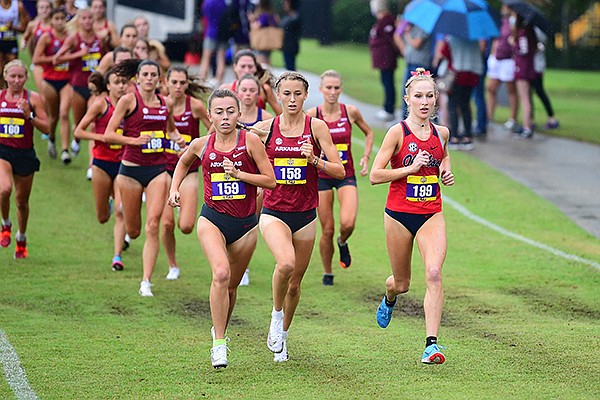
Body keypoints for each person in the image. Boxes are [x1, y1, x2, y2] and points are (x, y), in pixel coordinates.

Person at [167, 89, 276, 369]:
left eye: (230, 111)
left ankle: (220, 331)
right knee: (221, 273)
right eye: (219, 112)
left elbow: (270, 181)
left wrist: (240, 175)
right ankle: (219, 343)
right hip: (212, 219)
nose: (225, 117)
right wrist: (174, 188)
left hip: (246, 224)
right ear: (209, 116)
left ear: (239, 114)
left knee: (231, 286)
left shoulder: (250, 142)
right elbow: (183, 162)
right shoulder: (201, 144)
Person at [252, 72, 345, 362]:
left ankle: (283, 337)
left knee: (295, 284)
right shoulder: (264, 129)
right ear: (278, 95)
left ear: (306, 96)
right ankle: (275, 316)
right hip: (274, 211)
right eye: (286, 94)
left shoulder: (316, 127)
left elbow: (340, 170)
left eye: (297, 94)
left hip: (305, 215)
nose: (292, 99)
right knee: (286, 263)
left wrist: (314, 160)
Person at [370, 67, 454, 365]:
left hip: (431, 213)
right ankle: (390, 296)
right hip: (399, 215)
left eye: (429, 96)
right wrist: (409, 169)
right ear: (407, 98)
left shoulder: (441, 133)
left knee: (433, 273)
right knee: (402, 283)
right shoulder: (397, 132)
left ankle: (431, 344)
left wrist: (445, 169)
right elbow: (375, 175)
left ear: (436, 99)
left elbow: (442, 154)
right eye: (418, 96)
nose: (424, 101)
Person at [103, 59, 186, 297]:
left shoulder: (165, 103)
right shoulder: (128, 101)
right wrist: (133, 140)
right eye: (145, 75)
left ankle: (146, 282)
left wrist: (179, 140)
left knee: (153, 225)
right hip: (130, 170)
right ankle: (124, 218)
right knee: (135, 230)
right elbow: (109, 134)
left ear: (159, 79)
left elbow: (170, 129)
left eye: (153, 75)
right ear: (137, 78)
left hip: (157, 170)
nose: (149, 78)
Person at [306, 70, 374, 286]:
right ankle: (328, 272)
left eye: (336, 88)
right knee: (327, 228)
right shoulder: (312, 115)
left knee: (348, 222)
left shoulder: (350, 112)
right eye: (328, 88)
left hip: (346, 174)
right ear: (321, 89)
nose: (333, 92)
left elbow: (369, 133)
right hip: (321, 176)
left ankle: (343, 242)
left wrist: (365, 156)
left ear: (341, 89)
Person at [74, 67, 128, 271]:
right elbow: (78, 131)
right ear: (108, 86)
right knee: (103, 217)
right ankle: (110, 201)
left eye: (124, 82)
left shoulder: (131, 106)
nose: (121, 86)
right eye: (117, 82)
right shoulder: (100, 105)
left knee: (120, 211)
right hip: (102, 163)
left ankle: (117, 256)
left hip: (124, 164)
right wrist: (102, 137)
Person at [161, 66, 211, 281]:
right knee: (166, 224)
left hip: (189, 168)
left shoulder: (196, 106)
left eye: (182, 83)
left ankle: (183, 207)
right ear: (166, 83)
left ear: (187, 84)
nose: (178, 87)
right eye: (174, 82)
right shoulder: (160, 104)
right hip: (162, 167)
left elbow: (214, 127)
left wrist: (196, 147)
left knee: (187, 226)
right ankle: (172, 265)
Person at [0, 60, 49, 258]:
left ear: (26, 78)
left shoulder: (33, 98)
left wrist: (29, 115)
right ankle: (5, 224)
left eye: (20, 76)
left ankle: (21, 238)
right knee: (4, 189)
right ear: (5, 77)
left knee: (22, 202)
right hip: (3, 151)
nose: (17, 80)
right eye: (13, 76)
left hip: (25, 153)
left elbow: (47, 128)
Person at [234, 73, 274, 286]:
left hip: (255, 180)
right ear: (237, 91)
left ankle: (244, 267)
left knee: (250, 223)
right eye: (244, 90)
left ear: (258, 94)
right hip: (230, 179)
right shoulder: (228, 118)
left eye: (252, 90)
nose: (248, 94)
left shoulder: (267, 119)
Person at [55, 7, 108, 158]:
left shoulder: (100, 39)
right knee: (79, 122)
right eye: (84, 18)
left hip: (96, 89)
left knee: (93, 123)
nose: (87, 21)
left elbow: (105, 57)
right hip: (78, 85)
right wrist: (79, 54)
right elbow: (57, 59)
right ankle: (76, 139)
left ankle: (92, 164)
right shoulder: (74, 38)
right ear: (78, 20)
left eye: (90, 18)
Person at [32, 7, 73, 164]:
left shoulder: (71, 37)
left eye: (63, 18)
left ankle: (65, 150)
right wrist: (55, 59)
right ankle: (52, 137)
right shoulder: (46, 37)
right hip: (49, 79)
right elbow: (36, 60)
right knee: (53, 116)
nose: (60, 22)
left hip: (67, 80)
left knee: (64, 113)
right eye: (56, 19)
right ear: (51, 21)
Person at [436, 35, 483, 150]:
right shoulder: (474, 39)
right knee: (465, 105)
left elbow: (444, 53)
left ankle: (455, 136)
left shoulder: (452, 38)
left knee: (452, 105)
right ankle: (467, 135)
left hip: (456, 75)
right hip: (471, 75)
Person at [486, 5, 518, 132]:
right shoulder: (501, 21)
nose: (503, 8)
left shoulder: (514, 22)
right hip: (497, 59)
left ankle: (512, 119)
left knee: (511, 90)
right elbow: (496, 39)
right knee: (491, 88)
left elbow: (514, 38)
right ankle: (489, 117)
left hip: (508, 60)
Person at [221, 48, 281, 115]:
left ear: (255, 67)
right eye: (243, 66)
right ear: (235, 67)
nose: (247, 70)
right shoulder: (226, 89)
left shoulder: (264, 89)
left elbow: (281, 116)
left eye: (250, 66)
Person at [396, 17, 433, 118]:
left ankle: (416, 118)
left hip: (420, 65)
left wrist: (407, 33)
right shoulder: (412, 28)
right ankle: (405, 118)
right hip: (410, 63)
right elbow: (397, 37)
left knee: (418, 93)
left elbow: (416, 44)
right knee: (407, 91)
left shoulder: (425, 28)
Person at [368, 0, 399, 122]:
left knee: (388, 82)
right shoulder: (381, 21)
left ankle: (389, 109)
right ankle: (387, 107)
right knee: (385, 81)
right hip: (382, 59)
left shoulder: (387, 20)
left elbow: (390, 39)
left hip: (387, 58)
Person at [511, 12, 537, 138]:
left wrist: (513, 44)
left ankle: (527, 127)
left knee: (524, 98)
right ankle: (528, 123)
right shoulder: (530, 33)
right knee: (527, 98)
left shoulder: (522, 33)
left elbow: (523, 50)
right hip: (528, 69)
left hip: (522, 70)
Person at [20, 0, 52, 99]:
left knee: (52, 94)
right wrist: (23, 44)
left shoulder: (54, 24)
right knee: (43, 93)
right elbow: (25, 37)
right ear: (37, 9)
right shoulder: (33, 25)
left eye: (47, 8)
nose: (44, 10)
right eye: (41, 8)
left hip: (52, 62)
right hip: (38, 62)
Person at [531, 27, 559, 130]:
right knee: (528, 93)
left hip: (536, 66)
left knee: (539, 91)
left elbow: (540, 46)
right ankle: (530, 119)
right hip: (529, 66)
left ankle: (551, 118)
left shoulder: (538, 30)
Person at [0, 0, 30, 88]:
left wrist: (12, 27)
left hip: (11, 41)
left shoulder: (18, 6)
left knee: (11, 70)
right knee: (0, 70)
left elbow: (25, 28)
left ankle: (9, 94)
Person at [199, 0, 228, 87]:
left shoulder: (208, 2)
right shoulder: (223, 2)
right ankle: (219, 81)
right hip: (223, 33)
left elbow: (204, 14)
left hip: (210, 32)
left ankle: (202, 80)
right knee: (221, 58)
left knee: (206, 58)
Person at [249, 0, 279, 66]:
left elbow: (256, 26)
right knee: (267, 61)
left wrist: (251, 20)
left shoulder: (264, 15)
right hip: (269, 42)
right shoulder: (272, 14)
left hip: (261, 42)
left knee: (262, 64)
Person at [280, 0, 301, 71]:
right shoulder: (288, 16)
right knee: (288, 66)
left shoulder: (295, 17)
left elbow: (284, 26)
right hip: (286, 46)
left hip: (290, 46)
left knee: (290, 68)